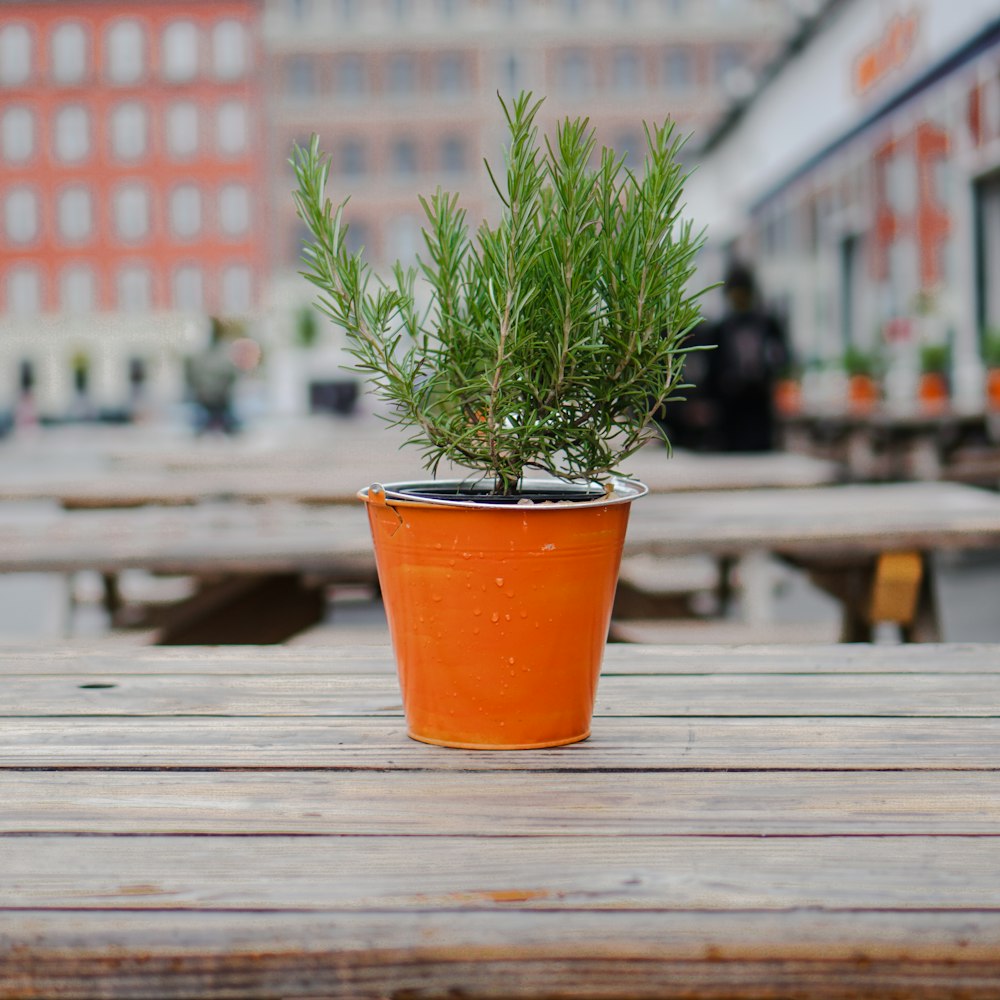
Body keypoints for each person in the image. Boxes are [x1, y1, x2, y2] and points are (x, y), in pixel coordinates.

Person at [707, 261, 789, 452]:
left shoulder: (767, 324)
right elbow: (712, 370)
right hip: (730, 412)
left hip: (759, 407)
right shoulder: (722, 329)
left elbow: (782, 358)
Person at [187, 317, 240, 435]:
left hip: (220, 401)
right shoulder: (202, 354)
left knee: (232, 428)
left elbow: (230, 375)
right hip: (207, 400)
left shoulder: (224, 352)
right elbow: (194, 375)